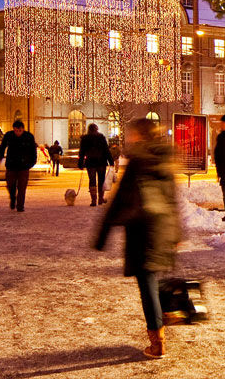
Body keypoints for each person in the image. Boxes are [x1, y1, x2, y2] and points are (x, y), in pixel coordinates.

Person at [94, 119, 181, 360]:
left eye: (131, 134)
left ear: (140, 136)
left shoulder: (138, 161)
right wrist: (176, 234)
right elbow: (173, 199)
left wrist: (102, 235)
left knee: (148, 286)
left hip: (143, 230)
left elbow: (121, 201)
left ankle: (158, 342)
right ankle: (161, 329)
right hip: (162, 228)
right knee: (152, 281)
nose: (129, 137)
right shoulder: (164, 159)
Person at [78, 123, 112, 207]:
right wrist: (111, 161)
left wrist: (80, 163)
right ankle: (101, 198)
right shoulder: (101, 137)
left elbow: (82, 152)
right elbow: (106, 150)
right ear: (97, 129)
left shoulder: (85, 139)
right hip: (101, 162)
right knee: (101, 180)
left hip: (90, 162)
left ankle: (93, 200)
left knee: (92, 180)